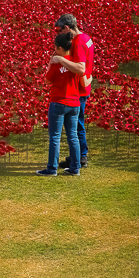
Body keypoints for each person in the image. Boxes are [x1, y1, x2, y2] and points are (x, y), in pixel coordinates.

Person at [52, 13, 94, 168]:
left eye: (59, 30)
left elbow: (81, 68)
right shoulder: (86, 38)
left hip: (79, 90)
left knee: (77, 126)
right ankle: (76, 156)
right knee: (76, 124)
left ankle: (81, 157)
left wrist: (60, 60)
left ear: (67, 28)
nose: (59, 33)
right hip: (85, 86)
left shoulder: (77, 43)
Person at [36, 31, 81, 176]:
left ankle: (52, 169)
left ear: (60, 48)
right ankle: (75, 168)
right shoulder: (75, 61)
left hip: (58, 103)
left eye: (55, 47)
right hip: (74, 103)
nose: (54, 50)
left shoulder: (57, 63)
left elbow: (47, 81)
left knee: (55, 137)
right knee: (73, 136)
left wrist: (50, 63)